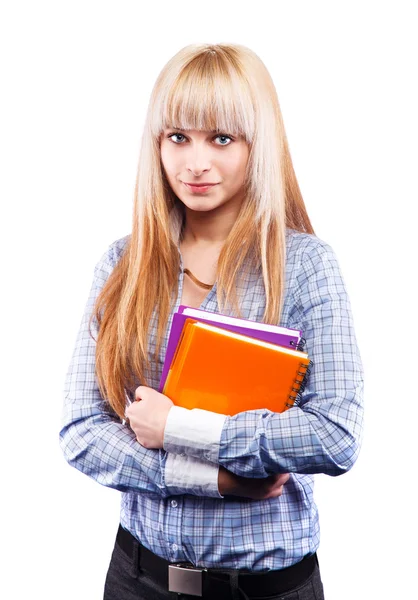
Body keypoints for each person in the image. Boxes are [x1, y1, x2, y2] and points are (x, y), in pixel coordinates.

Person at [60, 43, 364, 600]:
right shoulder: (121, 264)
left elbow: (336, 435)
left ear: (257, 146)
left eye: (221, 138)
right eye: (178, 137)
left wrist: (180, 429)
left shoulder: (306, 267)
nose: (195, 162)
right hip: (137, 581)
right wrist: (215, 479)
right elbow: (81, 433)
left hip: (268, 590)